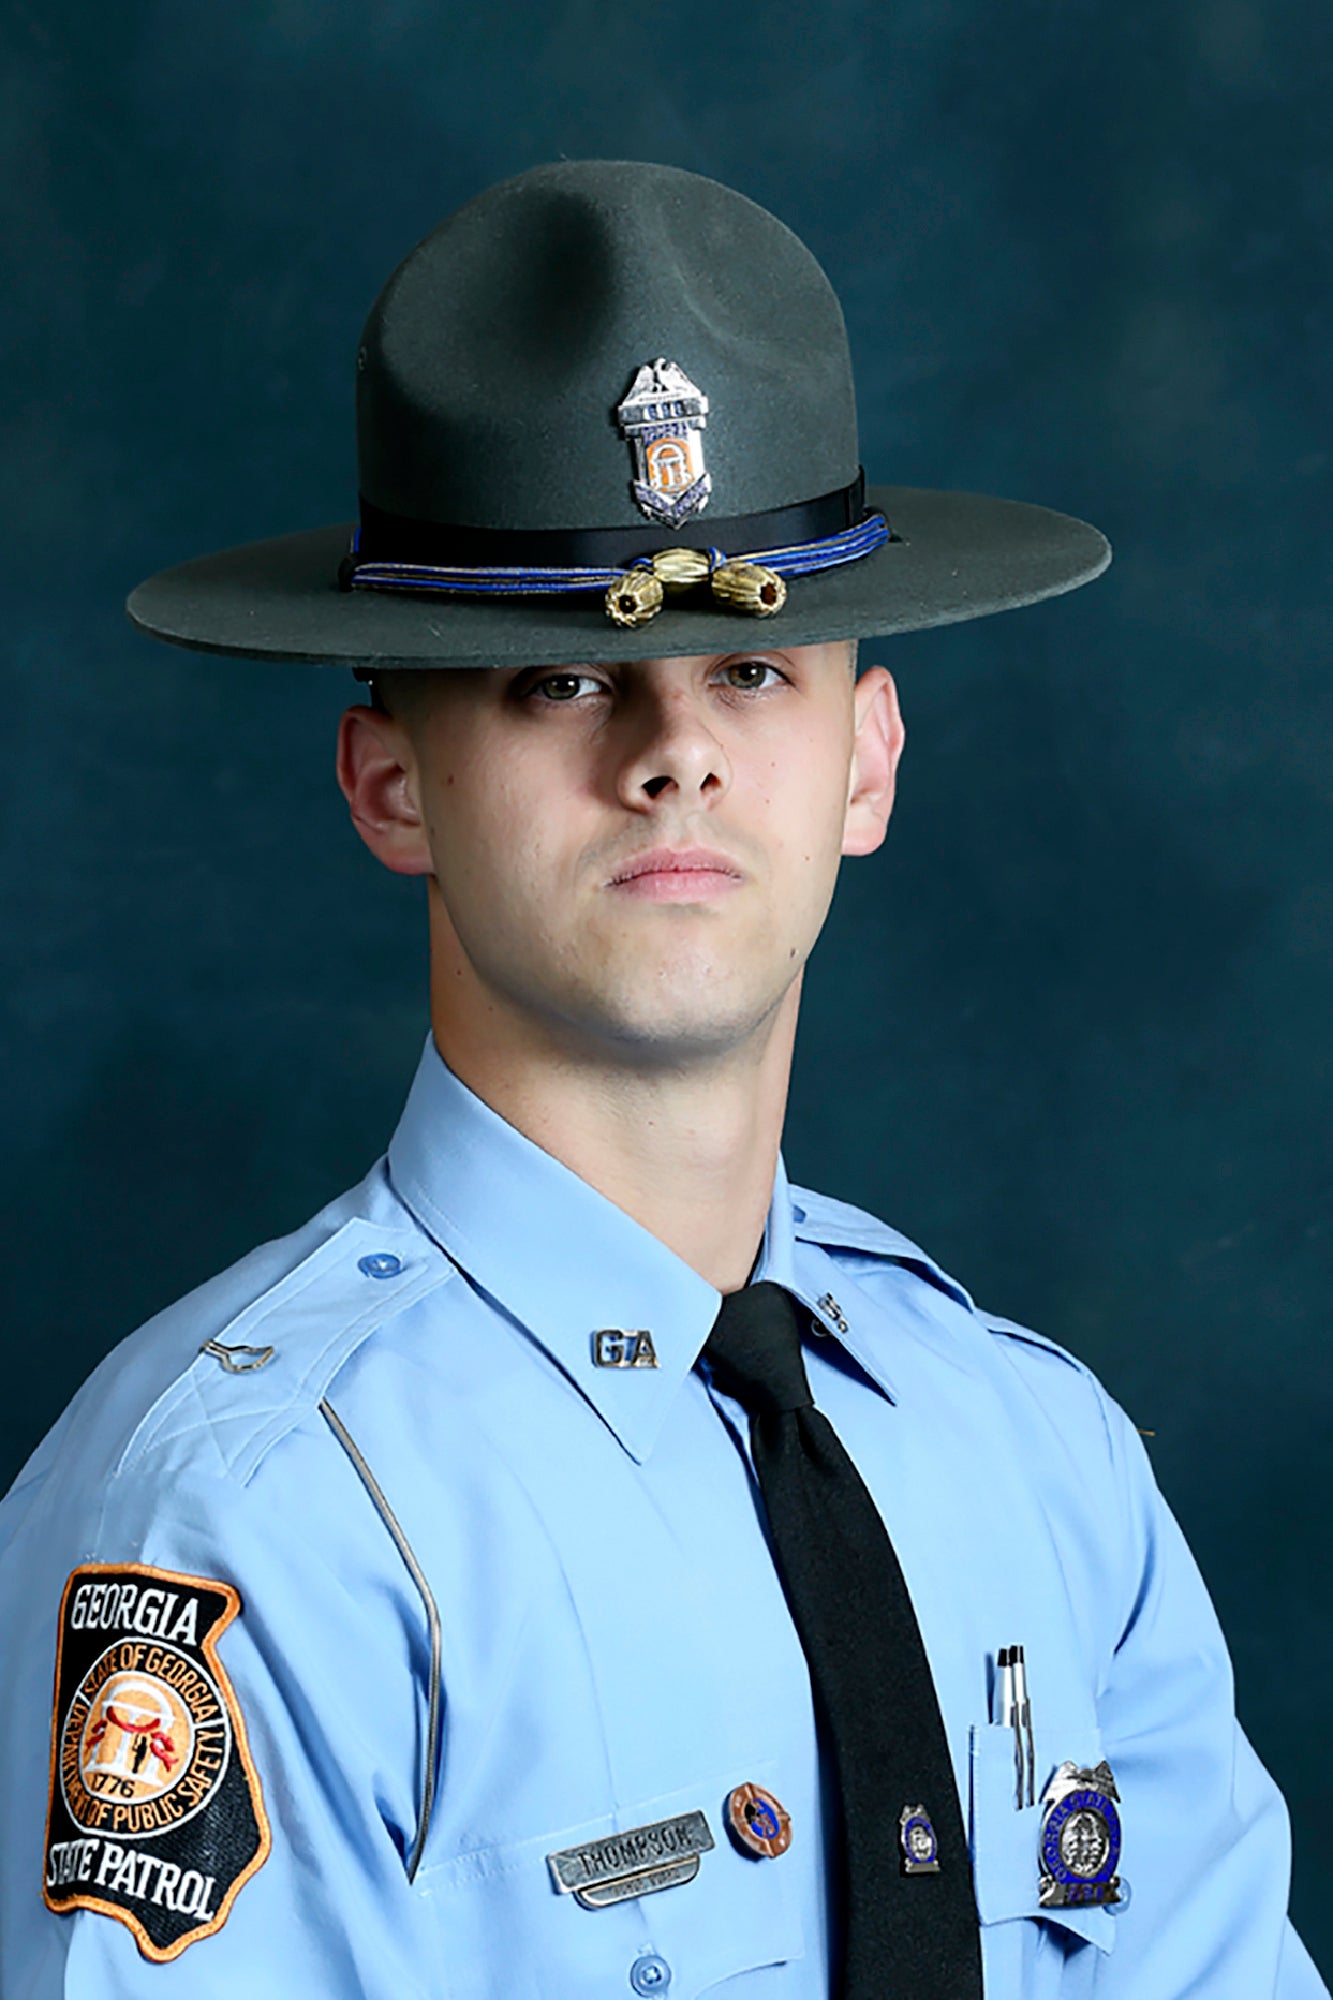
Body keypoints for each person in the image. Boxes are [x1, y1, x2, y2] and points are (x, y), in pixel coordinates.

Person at [0, 160, 1322, 2000]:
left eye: (756, 672)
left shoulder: (1032, 1457)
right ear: (392, 784)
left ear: (865, 762)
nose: (675, 753)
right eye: (558, 678)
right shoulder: (243, 1524)